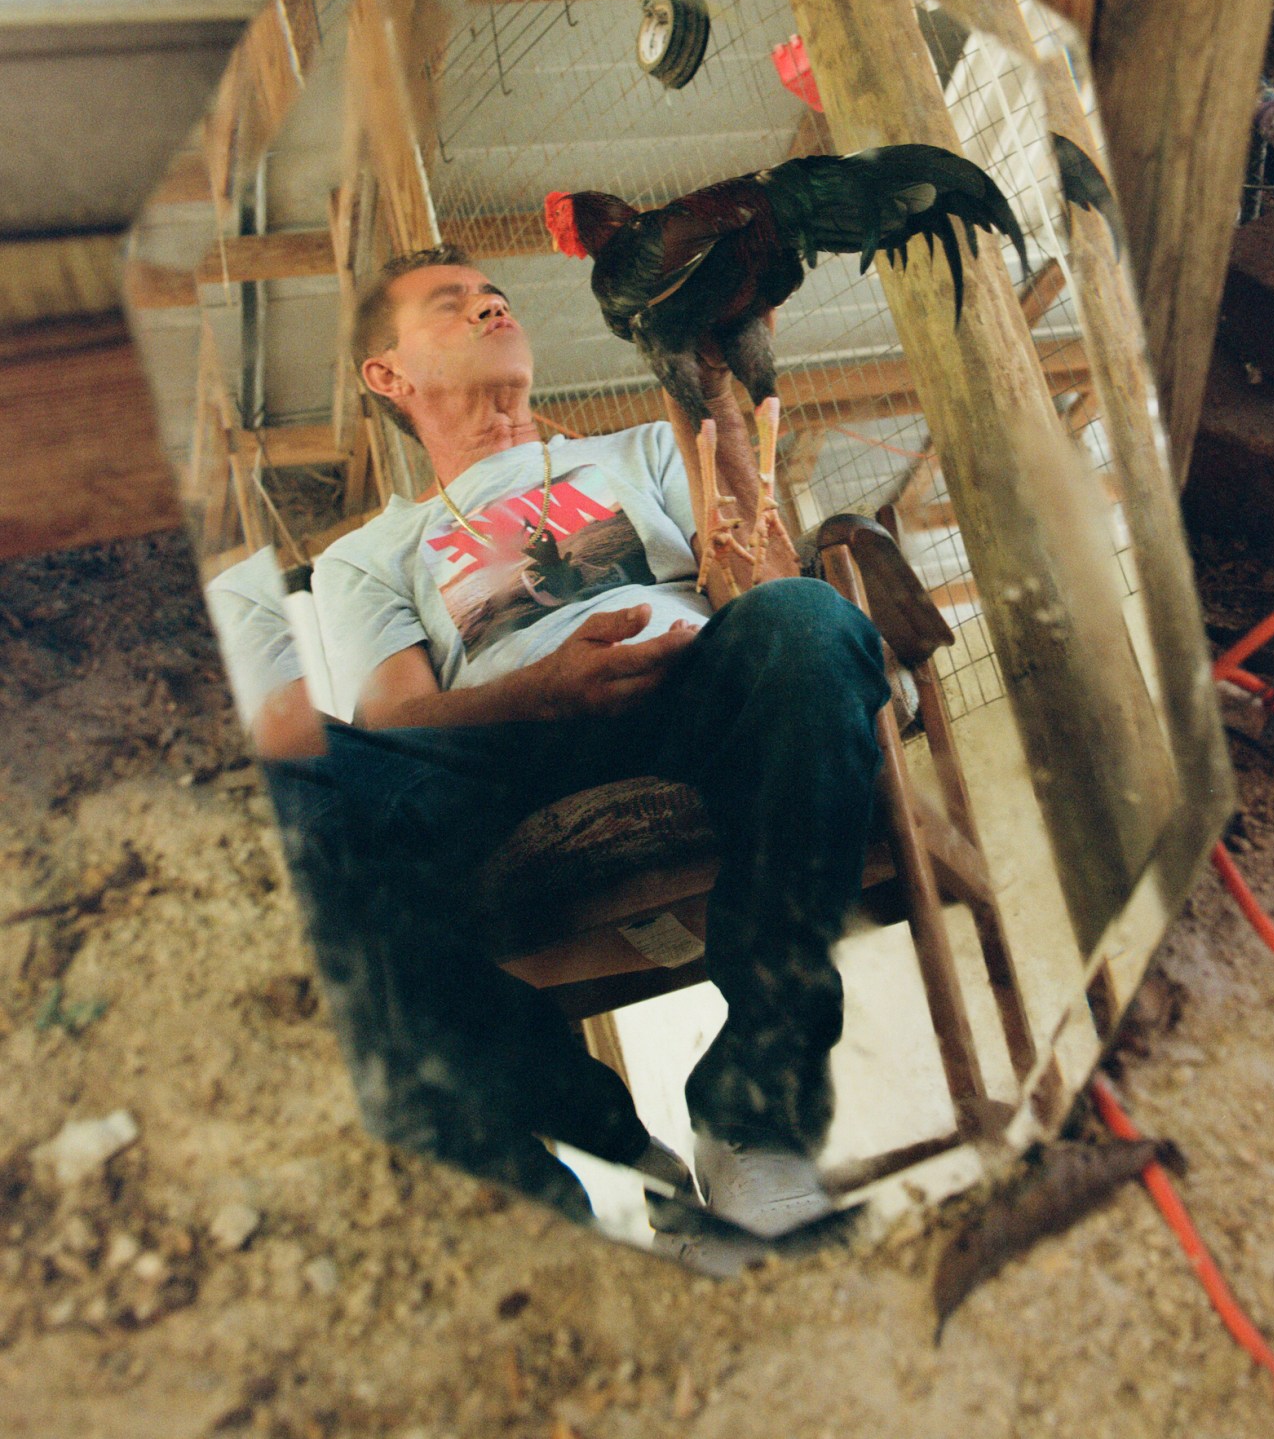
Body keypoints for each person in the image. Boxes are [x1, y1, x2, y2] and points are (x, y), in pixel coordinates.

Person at [261, 243, 889, 1237]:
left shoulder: (641, 449)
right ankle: (588, 1127)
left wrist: (717, 406)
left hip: (690, 688)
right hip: (512, 749)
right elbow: (395, 717)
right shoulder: (368, 553)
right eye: (450, 304)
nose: (490, 307)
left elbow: (764, 579)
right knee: (286, 783)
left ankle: (753, 1111)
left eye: (496, 296)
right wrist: (544, 689)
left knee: (807, 623)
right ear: (387, 374)